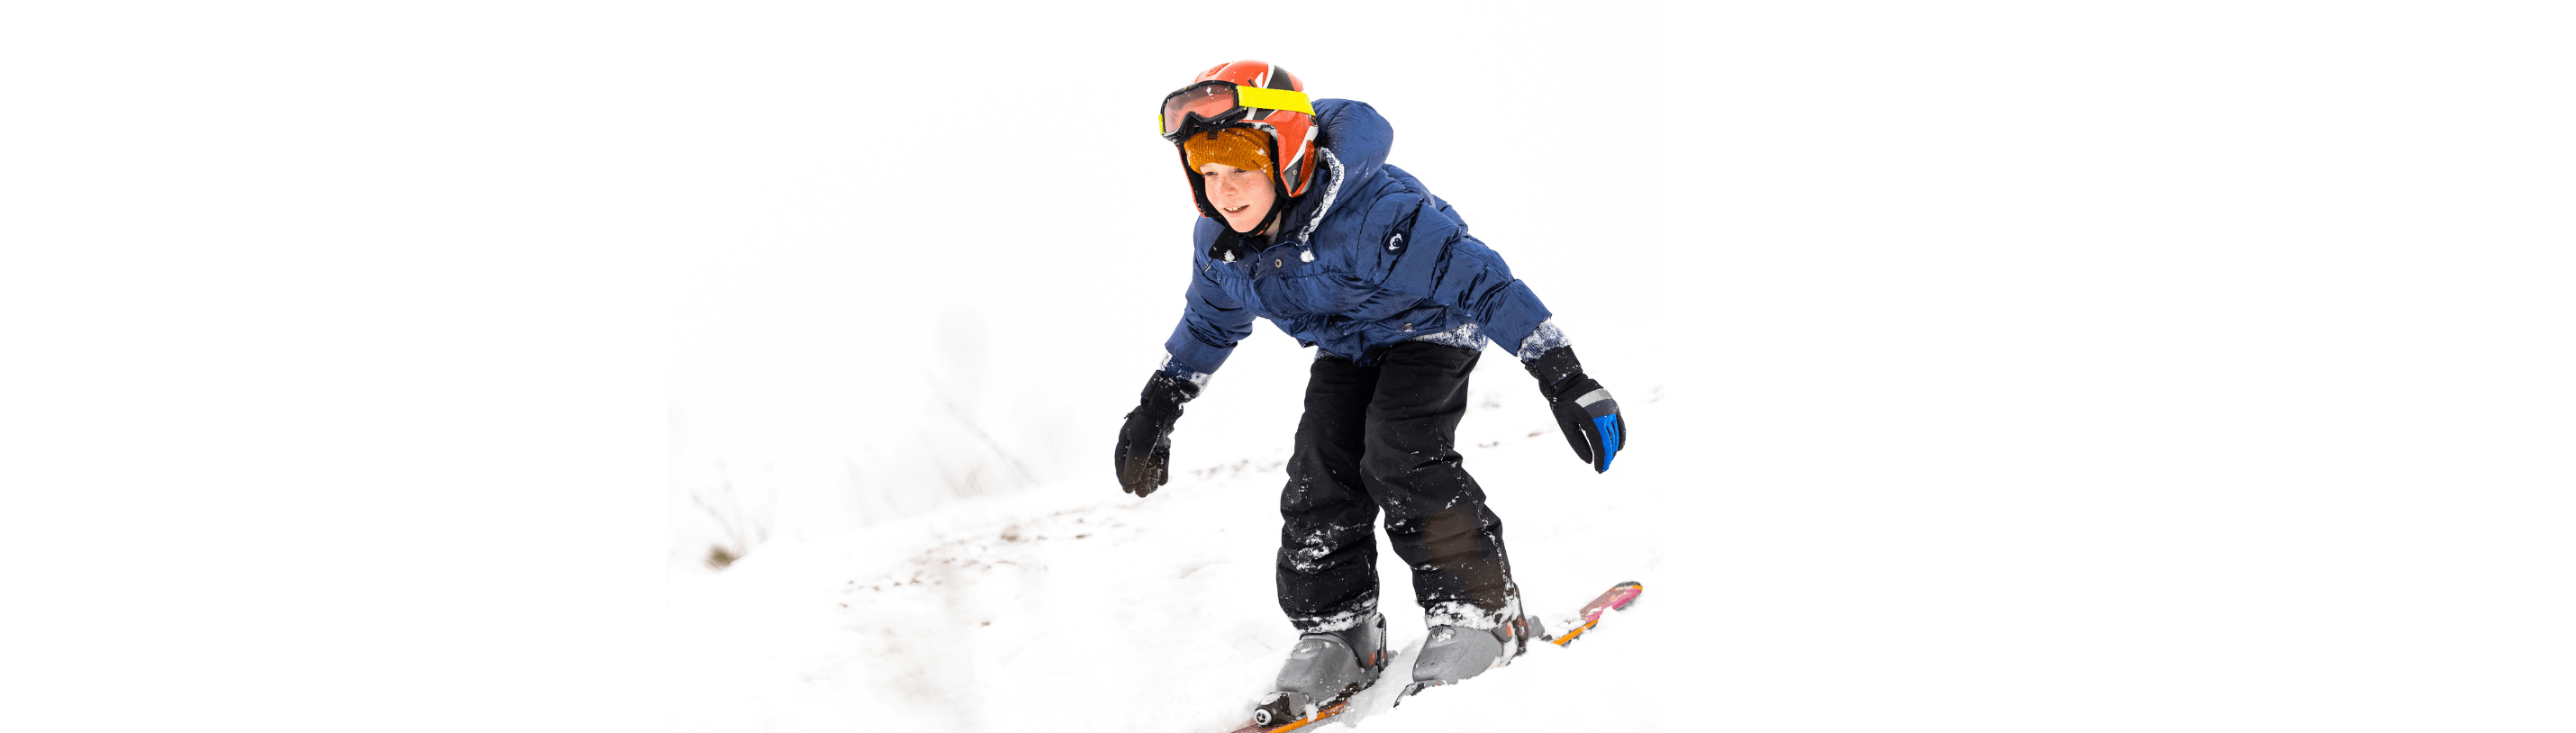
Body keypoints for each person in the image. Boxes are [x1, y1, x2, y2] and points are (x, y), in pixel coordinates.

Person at [1111, 59, 1629, 718]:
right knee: (1319, 469)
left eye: (1240, 167)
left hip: (1432, 330)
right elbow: (1208, 324)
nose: (1225, 191)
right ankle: (1340, 630)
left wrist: (1566, 379)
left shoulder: (1374, 213)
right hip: (1349, 347)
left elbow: (1485, 285)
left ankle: (1481, 614)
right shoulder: (1221, 245)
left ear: (1287, 155)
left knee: (1399, 453)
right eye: (1206, 173)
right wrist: (1157, 407)